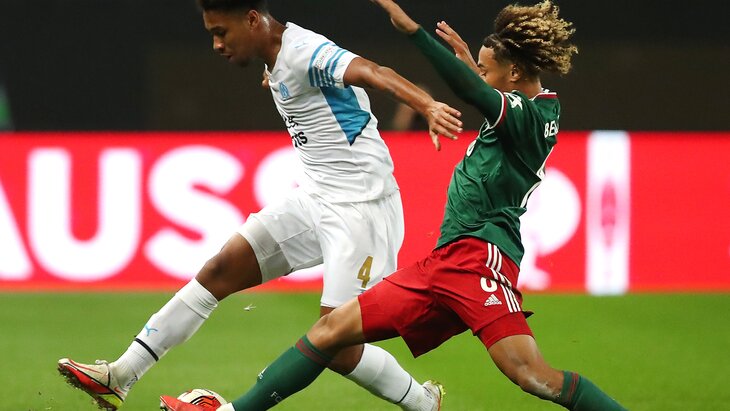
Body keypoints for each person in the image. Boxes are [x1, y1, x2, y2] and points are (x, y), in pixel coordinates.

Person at [159, 0, 629, 410]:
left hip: (479, 263)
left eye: (487, 70)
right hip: (443, 264)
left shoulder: (529, 116)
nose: (480, 76)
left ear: (516, 74)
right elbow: (485, 90)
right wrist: (473, 64)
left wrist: (412, 32)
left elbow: (475, 94)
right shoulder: (530, 105)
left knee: (533, 377)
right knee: (329, 333)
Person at [57, 1, 464, 410]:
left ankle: (423, 402)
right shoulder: (279, 57)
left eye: (221, 32)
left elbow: (374, 72)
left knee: (338, 345)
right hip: (314, 197)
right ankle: (120, 375)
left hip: (362, 209)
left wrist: (426, 105)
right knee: (219, 270)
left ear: (252, 20)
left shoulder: (304, 51)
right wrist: (275, 74)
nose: (217, 44)